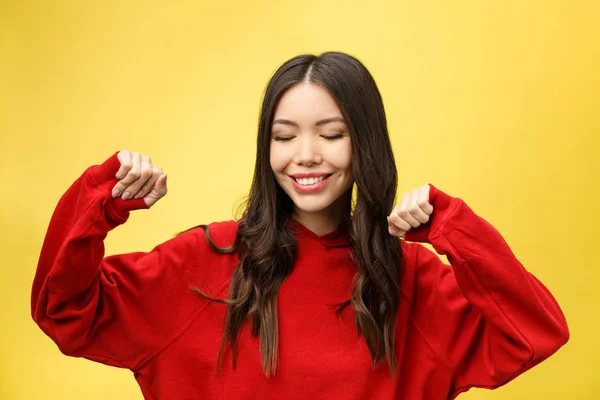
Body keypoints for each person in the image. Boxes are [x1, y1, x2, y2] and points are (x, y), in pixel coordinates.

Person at [31, 52, 569, 400]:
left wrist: (453, 226)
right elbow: (65, 310)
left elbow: (534, 333)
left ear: (366, 144)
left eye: (331, 134)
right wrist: (100, 198)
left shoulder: (411, 281)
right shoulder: (201, 263)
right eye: (284, 136)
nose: (305, 155)